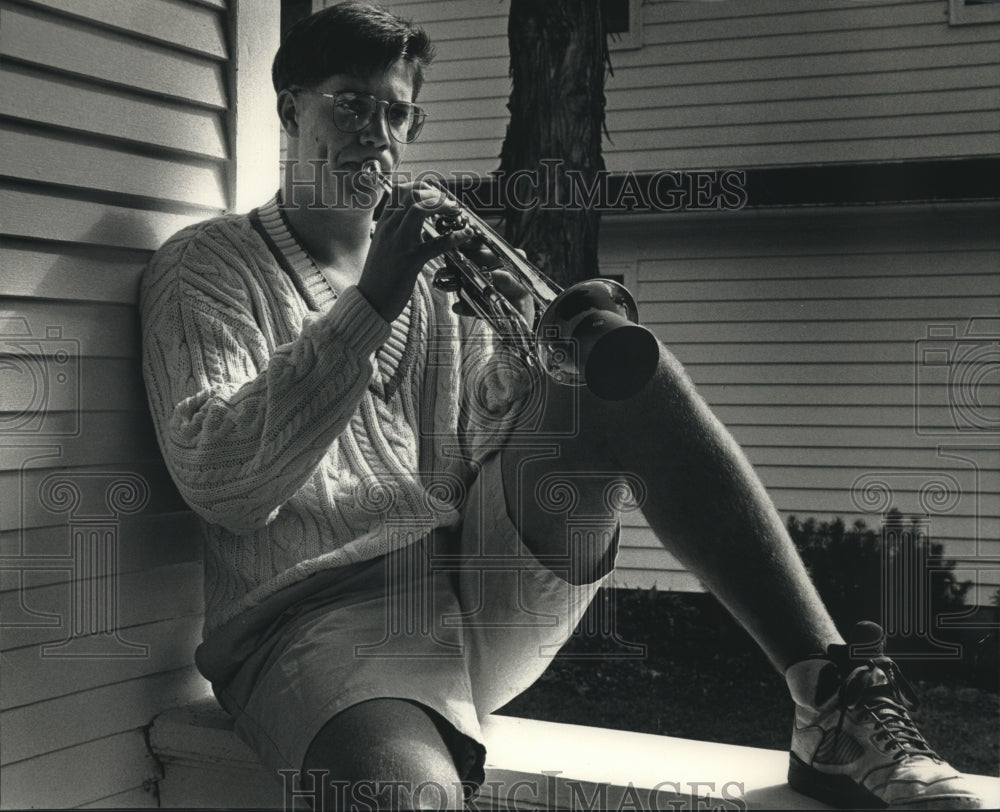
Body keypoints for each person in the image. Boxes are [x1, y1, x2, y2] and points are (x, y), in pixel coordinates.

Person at [139, 2, 983, 809]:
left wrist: (542, 359)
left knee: (623, 374)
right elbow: (223, 481)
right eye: (351, 105)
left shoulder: (434, 276)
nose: (377, 134)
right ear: (291, 111)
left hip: (471, 589)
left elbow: (480, 446)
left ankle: (830, 698)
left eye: (397, 115)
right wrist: (373, 302)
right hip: (315, 620)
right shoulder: (204, 266)